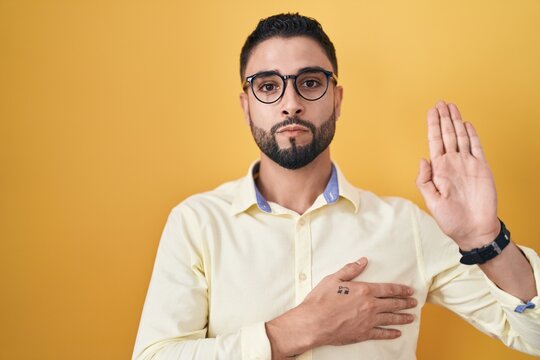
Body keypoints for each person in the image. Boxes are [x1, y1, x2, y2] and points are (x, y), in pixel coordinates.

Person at [133, 13, 539, 360]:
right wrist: (299, 329)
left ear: (337, 100)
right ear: (246, 106)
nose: (290, 103)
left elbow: (533, 337)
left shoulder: (407, 227)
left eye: (310, 83)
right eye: (269, 86)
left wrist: (487, 240)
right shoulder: (197, 223)